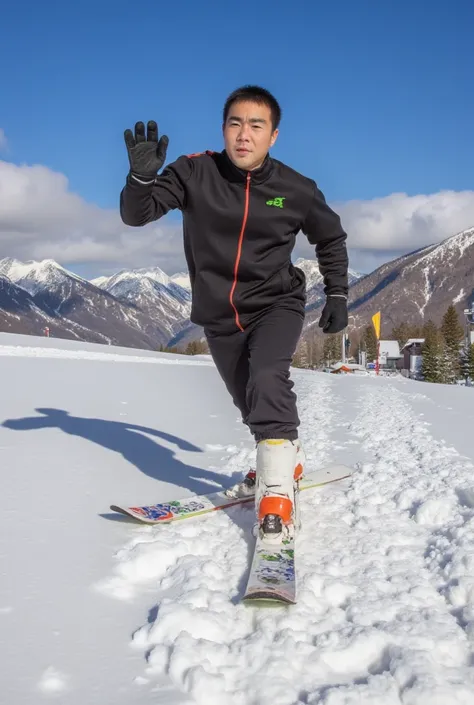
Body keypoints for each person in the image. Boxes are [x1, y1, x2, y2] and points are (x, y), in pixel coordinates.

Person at [119, 85, 349, 539]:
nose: (244, 135)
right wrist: (140, 180)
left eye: (256, 126)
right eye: (235, 123)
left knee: (267, 378)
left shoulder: (296, 189)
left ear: (273, 136)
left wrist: (338, 295)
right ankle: (287, 456)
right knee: (250, 403)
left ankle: (278, 492)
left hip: (276, 304)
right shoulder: (193, 173)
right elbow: (136, 215)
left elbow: (331, 237)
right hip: (219, 315)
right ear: (224, 128)